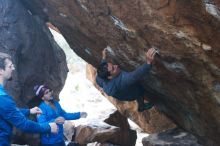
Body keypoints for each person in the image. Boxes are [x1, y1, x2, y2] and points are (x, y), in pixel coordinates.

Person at [0, 52, 58, 146]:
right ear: (1, 71)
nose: (13, 69)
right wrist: (48, 127)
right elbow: (23, 124)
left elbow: (6, 111)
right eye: (10, 66)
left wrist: (29, 111)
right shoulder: (3, 98)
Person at [96, 48, 156, 112]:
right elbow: (135, 75)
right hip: (129, 95)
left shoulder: (99, 77)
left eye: (113, 65)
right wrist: (148, 63)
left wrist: (103, 58)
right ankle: (142, 106)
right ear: (110, 77)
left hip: (119, 94)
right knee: (139, 90)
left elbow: (103, 68)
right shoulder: (122, 81)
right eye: (113, 68)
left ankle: (141, 104)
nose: (116, 65)